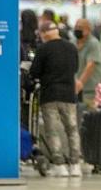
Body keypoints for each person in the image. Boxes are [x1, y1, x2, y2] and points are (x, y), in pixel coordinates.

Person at [30, 22, 82, 177]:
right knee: (72, 130)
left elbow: (34, 72)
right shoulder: (72, 48)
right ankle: (75, 165)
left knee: (52, 131)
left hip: (50, 95)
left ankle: (59, 165)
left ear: (44, 33)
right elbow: (75, 69)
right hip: (69, 95)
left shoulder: (43, 49)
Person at [74, 19, 101, 109]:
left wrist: (80, 83)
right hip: (77, 88)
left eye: (80, 28)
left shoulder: (93, 43)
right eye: (76, 27)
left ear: (88, 29)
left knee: (89, 115)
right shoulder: (73, 42)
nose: (77, 30)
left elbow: (90, 66)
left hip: (91, 90)